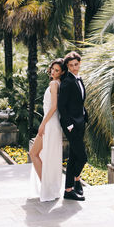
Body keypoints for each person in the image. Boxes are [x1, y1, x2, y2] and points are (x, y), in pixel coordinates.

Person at [29, 58, 66, 202]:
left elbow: (54, 106)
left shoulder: (53, 83)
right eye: (52, 69)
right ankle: (49, 187)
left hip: (50, 123)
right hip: (53, 123)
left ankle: (47, 188)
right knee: (46, 156)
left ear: (62, 72)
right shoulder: (59, 83)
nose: (53, 72)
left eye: (57, 70)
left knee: (34, 153)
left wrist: (42, 124)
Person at [58, 51, 88, 201]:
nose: (74, 68)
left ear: (79, 63)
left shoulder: (78, 79)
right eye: (71, 65)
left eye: (76, 64)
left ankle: (69, 190)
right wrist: (69, 125)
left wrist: (84, 115)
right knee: (82, 157)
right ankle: (76, 180)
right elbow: (61, 106)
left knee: (74, 157)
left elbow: (79, 101)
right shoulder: (67, 82)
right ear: (68, 66)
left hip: (80, 121)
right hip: (71, 125)